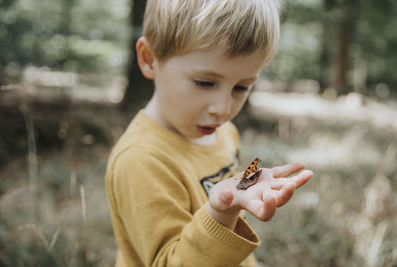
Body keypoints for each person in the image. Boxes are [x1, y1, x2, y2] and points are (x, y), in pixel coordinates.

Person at [105, 0, 313, 266]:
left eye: (241, 87)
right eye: (205, 83)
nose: (223, 109)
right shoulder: (140, 160)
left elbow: (234, 203)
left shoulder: (226, 133)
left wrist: (244, 191)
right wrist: (221, 213)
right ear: (149, 59)